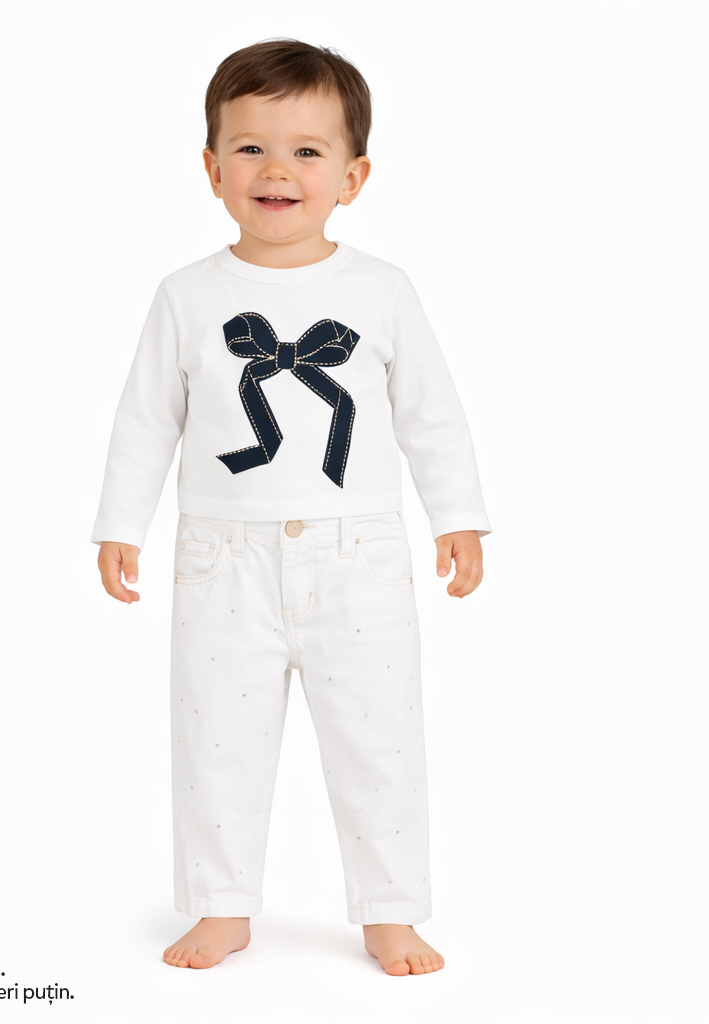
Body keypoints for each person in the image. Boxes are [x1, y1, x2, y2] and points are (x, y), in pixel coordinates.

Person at [92, 39, 491, 976]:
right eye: (251, 149)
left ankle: (390, 910)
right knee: (216, 741)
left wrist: (458, 515)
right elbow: (145, 418)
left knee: (379, 738)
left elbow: (431, 412)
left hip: (360, 557)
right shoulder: (188, 296)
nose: (277, 170)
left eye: (307, 151)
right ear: (212, 169)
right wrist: (120, 525)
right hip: (222, 559)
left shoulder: (382, 290)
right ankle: (220, 904)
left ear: (352, 177)